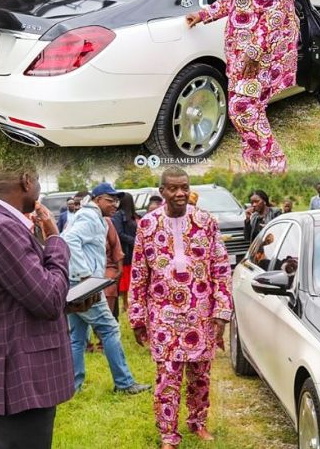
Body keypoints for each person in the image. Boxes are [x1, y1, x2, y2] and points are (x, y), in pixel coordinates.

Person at [0, 161, 99, 449]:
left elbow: (17, 298)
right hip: (18, 381)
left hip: (12, 376)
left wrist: (69, 304)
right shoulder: (3, 227)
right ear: (27, 180)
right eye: (39, 180)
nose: (39, 187)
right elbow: (48, 300)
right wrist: (54, 238)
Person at [185, 0, 299, 172]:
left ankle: (275, 166)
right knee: (250, 108)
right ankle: (254, 167)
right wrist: (204, 14)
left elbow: (277, 4)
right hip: (242, 46)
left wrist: (253, 51)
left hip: (261, 49)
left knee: (241, 108)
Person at [129, 167, 233, 449]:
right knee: (167, 378)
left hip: (201, 315)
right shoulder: (147, 225)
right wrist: (137, 317)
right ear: (161, 191)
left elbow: (220, 268)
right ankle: (168, 434)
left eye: (184, 187)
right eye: (173, 188)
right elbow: (139, 273)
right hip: (163, 317)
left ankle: (198, 423)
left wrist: (222, 312)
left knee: (200, 376)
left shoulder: (205, 221)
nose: (180, 193)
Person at [62, 183, 149, 395]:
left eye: (117, 201)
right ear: (97, 199)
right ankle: (125, 383)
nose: (115, 205)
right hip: (83, 284)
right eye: (110, 200)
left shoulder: (89, 215)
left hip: (76, 283)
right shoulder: (90, 217)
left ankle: (72, 387)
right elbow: (69, 239)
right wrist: (84, 274)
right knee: (110, 329)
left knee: (77, 336)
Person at [112, 192, 139, 319]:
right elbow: (118, 233)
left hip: (132, 251)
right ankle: (125, 304)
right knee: (124, 279)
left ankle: (129, 303)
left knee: (130, 279)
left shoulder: (133, 216)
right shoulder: (118, 215)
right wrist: (134, 241)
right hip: (125, 250)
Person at [103, 213, 124, 320]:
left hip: (107, 267)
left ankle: (108, 323)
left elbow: (116, 245)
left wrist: (120, 270)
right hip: (85, 270)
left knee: (109, 288)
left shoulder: (106, 221)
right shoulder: (73, 222)